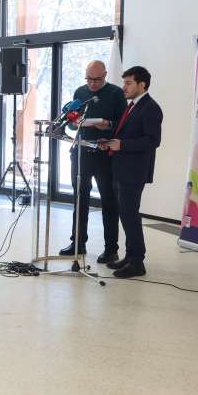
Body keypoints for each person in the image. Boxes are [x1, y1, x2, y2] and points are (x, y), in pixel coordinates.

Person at [99, 66, 163, 278]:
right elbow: (127, 133)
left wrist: (122, 145)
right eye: (124, 83)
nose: (124, 87)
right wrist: (110, 141)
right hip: (121, 169)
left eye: (128, 83)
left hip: (134, 171)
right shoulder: (133, 106)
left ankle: (137, 262)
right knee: (126, 215)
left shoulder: (150, 108)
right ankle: (130, 256)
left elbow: (153, 141)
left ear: (142, 85)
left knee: (130, 215)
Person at [61, 60, 127, 262]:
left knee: (109, 201)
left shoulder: (116, 93)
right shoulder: (80, 92)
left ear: (105, 75)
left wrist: (108, 125)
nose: (92, 84)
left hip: (105, 154)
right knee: (80, 198)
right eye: (88, 79)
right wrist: (74, 123)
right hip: (81, 152)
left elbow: (123, 125)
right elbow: (71, 122)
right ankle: (78, 243)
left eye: (96, 80)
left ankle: (111, 249)